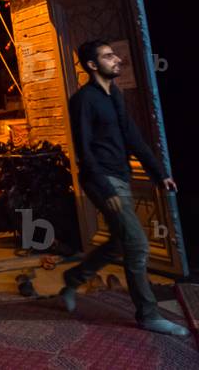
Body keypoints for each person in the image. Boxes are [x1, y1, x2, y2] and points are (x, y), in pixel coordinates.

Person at [58, 40, 187, 336]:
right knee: (138, 244)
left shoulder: (114, 95)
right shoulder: (84, 100)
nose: (116, 59)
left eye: (114, 54)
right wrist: (105, 189)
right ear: (92, 65)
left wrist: (158, 174)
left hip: (122, 176)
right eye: (108, 56)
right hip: (101, 180)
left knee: (119, 242)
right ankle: (148, 314)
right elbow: (83, 149)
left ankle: (75, 277)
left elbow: (133, 138)